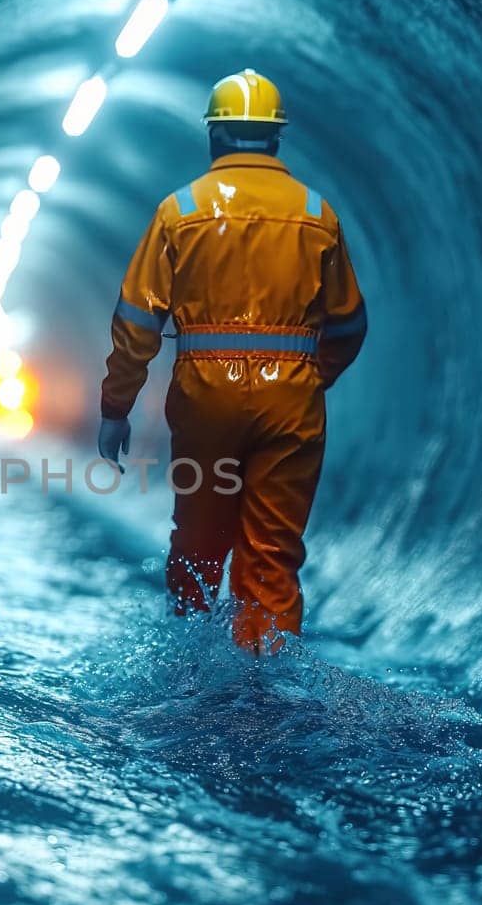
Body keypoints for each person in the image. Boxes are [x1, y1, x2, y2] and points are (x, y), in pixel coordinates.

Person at [97, 69, 367, 655]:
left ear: (214, 136)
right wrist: (310, 376)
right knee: (272, 554)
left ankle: (192, 666)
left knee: (199, 537)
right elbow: (348, 323)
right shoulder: (318, 213)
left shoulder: (179, 211)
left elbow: (137, 324)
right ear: (276, 138)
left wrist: (116, 407)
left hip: (204, 400)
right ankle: (264, 684)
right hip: (292, 400)